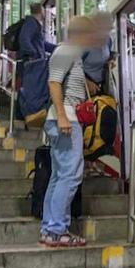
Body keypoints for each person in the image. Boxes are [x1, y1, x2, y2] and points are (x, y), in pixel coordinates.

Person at [39, 16, 96, 248]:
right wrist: (63, 116)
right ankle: (56, 229)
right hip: (66, 120)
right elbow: (54, 82)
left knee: (59, 176)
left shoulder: (71, 53)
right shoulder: (67, 50)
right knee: (71, 175)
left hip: (65, 119)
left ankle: (50, 229)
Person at [18, 3, 56, 127]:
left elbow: (42, 44)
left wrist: (57, 48)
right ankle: (26, 114)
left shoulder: (34, 24)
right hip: (31, 63)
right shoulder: (31, 23)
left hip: (33, 62)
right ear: (41, 10)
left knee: (30, 88)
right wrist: (33, 54)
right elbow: (24, 39)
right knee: (31, 89)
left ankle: (27, 113)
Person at [83, 12, 115, 96]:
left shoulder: (108, 40)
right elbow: (72, 67)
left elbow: (110, 55)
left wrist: (111, 61)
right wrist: (86, 82)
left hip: (102, 85)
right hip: (84, 85)